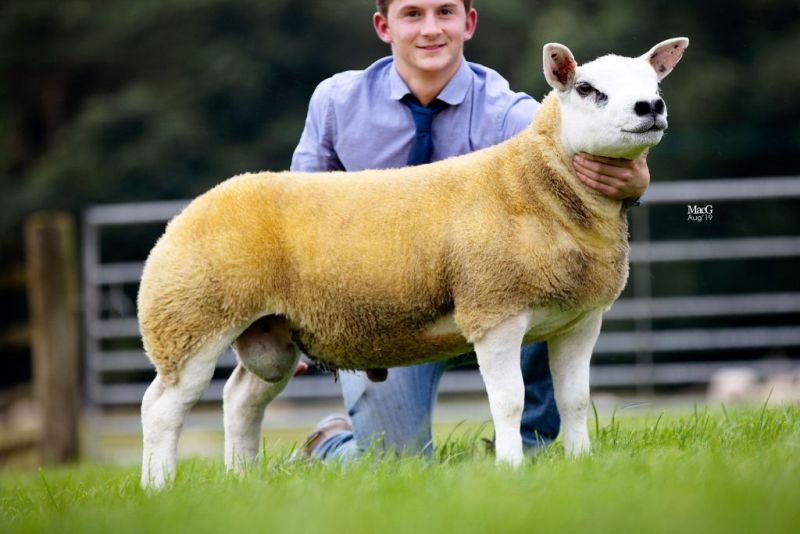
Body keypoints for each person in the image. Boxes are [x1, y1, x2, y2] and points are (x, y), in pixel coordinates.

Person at [289, 0, 650, 461]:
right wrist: (301, 310)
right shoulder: (336, 104)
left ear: (469, 22)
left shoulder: (513, 116)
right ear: (384, 26)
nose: (431, 29)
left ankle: (526, 449)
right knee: (395, 465)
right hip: (391, 311)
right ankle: (327, 444)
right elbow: (302, 214)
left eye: (445, 12)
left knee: (555, 282)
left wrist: (637, 185)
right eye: (413, 14)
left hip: (497, 303)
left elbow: (598, 153)